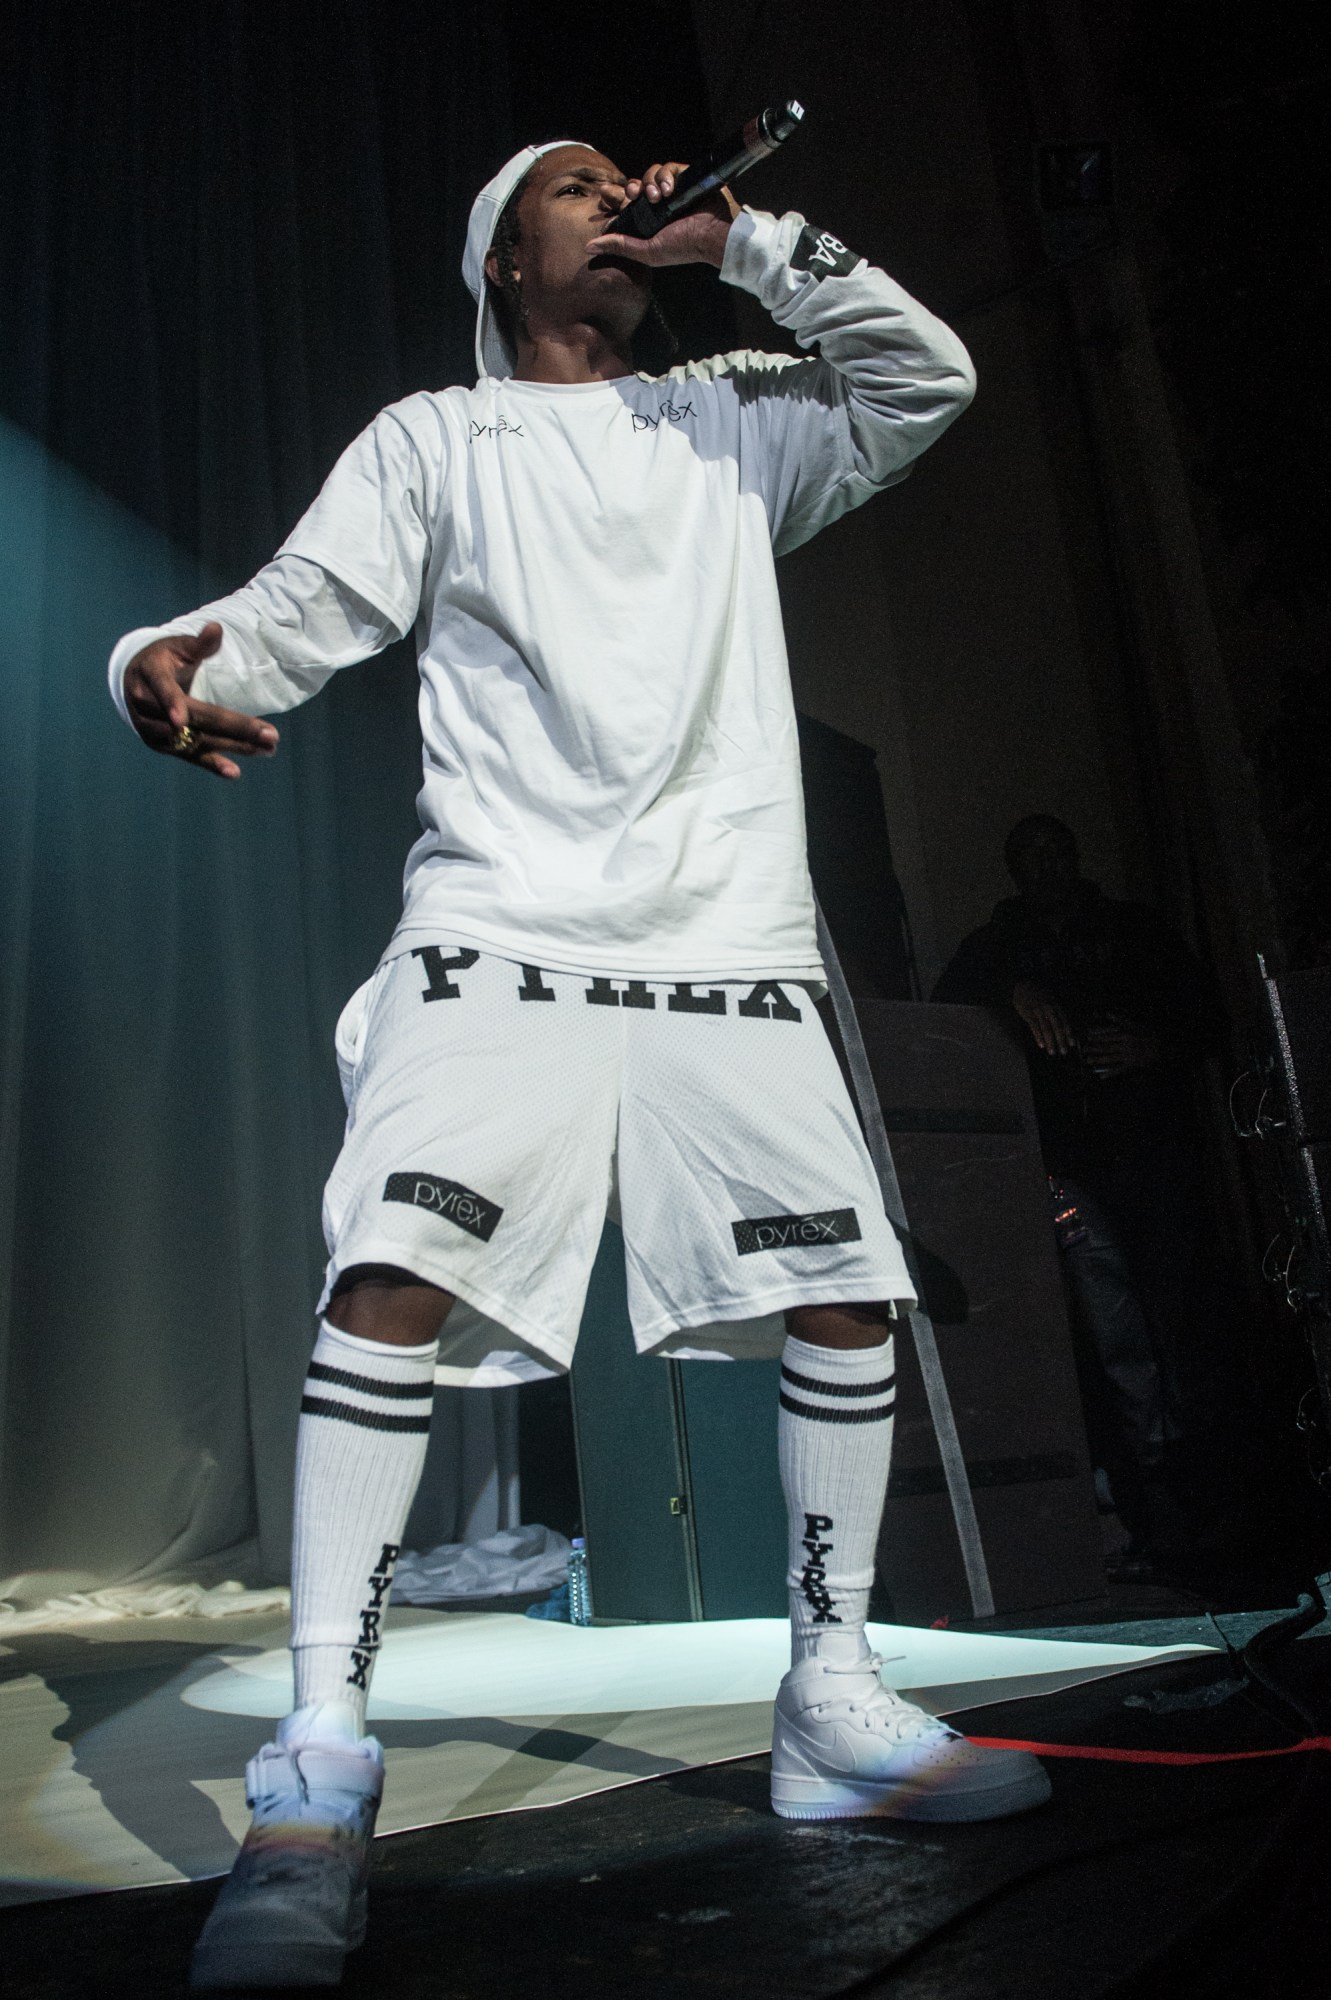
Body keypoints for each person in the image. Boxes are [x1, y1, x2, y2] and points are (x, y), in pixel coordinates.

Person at [111, 141, 1049, 1990]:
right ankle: (317, 1767)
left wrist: (757, 242)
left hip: (726, 941)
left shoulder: (733, 420)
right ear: (502, 258)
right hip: (504, 925)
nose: (617, 195)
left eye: (634, 178)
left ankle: (830, 1695)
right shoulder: (434, 441)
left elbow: (926, 377)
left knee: (846, 1297)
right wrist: (169, 658)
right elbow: (288, 612)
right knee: (388, 1269)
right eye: (575, 185)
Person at [932, 814, 1234, 1568]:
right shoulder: (996, 946)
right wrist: (1012, 990)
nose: (1047, 864)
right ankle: (1147, 1503)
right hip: (1065, 1167)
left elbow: (1210, 1014)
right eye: (1029, 853)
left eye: (1057, 848)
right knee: (1106, 1336)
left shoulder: (1133, 930)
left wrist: (1154, 1046)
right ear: (1013, 869)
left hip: (1155, 1155)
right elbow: (939, 1018)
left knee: (1183, 1321)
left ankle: (1216, 1506)